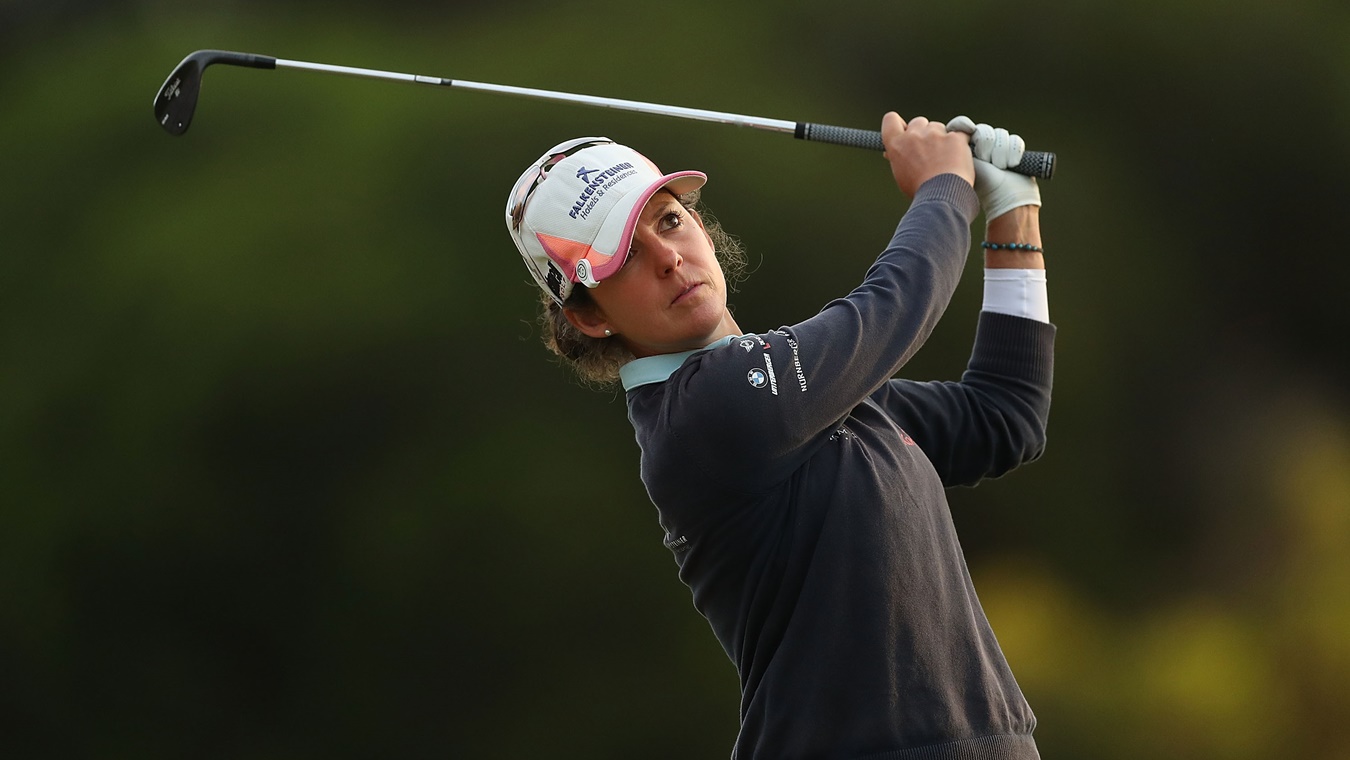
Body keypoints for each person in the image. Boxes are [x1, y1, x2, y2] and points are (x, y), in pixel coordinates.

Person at [505, 113, 1053, 760]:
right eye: (623, 258)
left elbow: (1002, 418)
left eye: (670, 220)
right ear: (588, 316)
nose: (669, 258)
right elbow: (894, 305)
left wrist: (1013, 211)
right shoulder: (707, 410)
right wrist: (945, 186)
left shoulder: (812, 396)